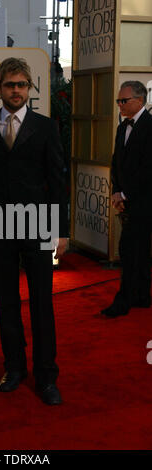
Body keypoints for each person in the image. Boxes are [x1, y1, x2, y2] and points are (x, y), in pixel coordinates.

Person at [0, 58, 68, 405]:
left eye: (22, 84)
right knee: (6, 303)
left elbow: (57, 181)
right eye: (10, 84)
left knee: (43, 304)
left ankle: (46, 376)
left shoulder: (46, 127)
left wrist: (61, 230)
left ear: (30, 88)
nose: (16, 90)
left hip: (39, 224)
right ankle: (14, 367)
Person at [101, 81, 152, 318]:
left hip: (145, 201)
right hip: (126, 199)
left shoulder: (150, 127)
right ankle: (141, 296)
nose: (120, 104)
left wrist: (125, 194)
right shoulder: (122, 127)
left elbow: (148, 169)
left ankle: (124, 301)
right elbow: (116, 162)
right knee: (137, 249)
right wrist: (116, 191)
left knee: (129, 249)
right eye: (118, 101)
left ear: (140, 101)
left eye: (124, 100)